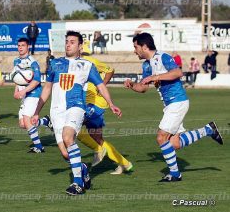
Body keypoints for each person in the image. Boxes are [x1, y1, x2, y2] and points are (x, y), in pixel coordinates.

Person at [31, 31, 122, 195]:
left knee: (68, 137)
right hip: (57, 111)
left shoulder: (87, 65)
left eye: (72, 42)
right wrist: (37, 111)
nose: (68, 44)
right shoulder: (55, 63)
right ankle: (83, 169)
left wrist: (111, 103)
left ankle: (77, 183)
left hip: (77, 106)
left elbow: (101, 86)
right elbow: (46, 89)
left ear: (80, 46)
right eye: (67, 41)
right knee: (66, 154)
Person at [124, 33, 223, 182]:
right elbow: (143, 88)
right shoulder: (146, 65)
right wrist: (132, 85)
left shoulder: (162, 57)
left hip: (177, 102)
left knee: (161, 137)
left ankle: (175, 174)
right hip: (170, 104)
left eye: (135, 47)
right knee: (174, 144)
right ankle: (208, 130)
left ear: (144, 47)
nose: (134, 50)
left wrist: (155, 77)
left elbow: (178, 72)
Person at [77, 40, 133, 174]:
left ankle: (99, 150)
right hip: (89, 102)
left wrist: (101, 85)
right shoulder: (77, 63)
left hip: (95, 102)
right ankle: (125, 163)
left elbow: (110, 69)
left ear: (79, 48)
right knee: (97, 138)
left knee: (75, 128)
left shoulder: (89, 60)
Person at [13, 38, 52, 153]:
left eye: (23, 45)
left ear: (28, 47)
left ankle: (39, 147)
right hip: (24, 95)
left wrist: (23, 91)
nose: (20, 47)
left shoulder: (32, 62)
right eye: (19, 45)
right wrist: (16, 90)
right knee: (22, 124)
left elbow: (36, 81)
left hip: (34, 93)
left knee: (26, 120)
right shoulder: (16, 61)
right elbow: (17, 78)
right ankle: (45, 121)